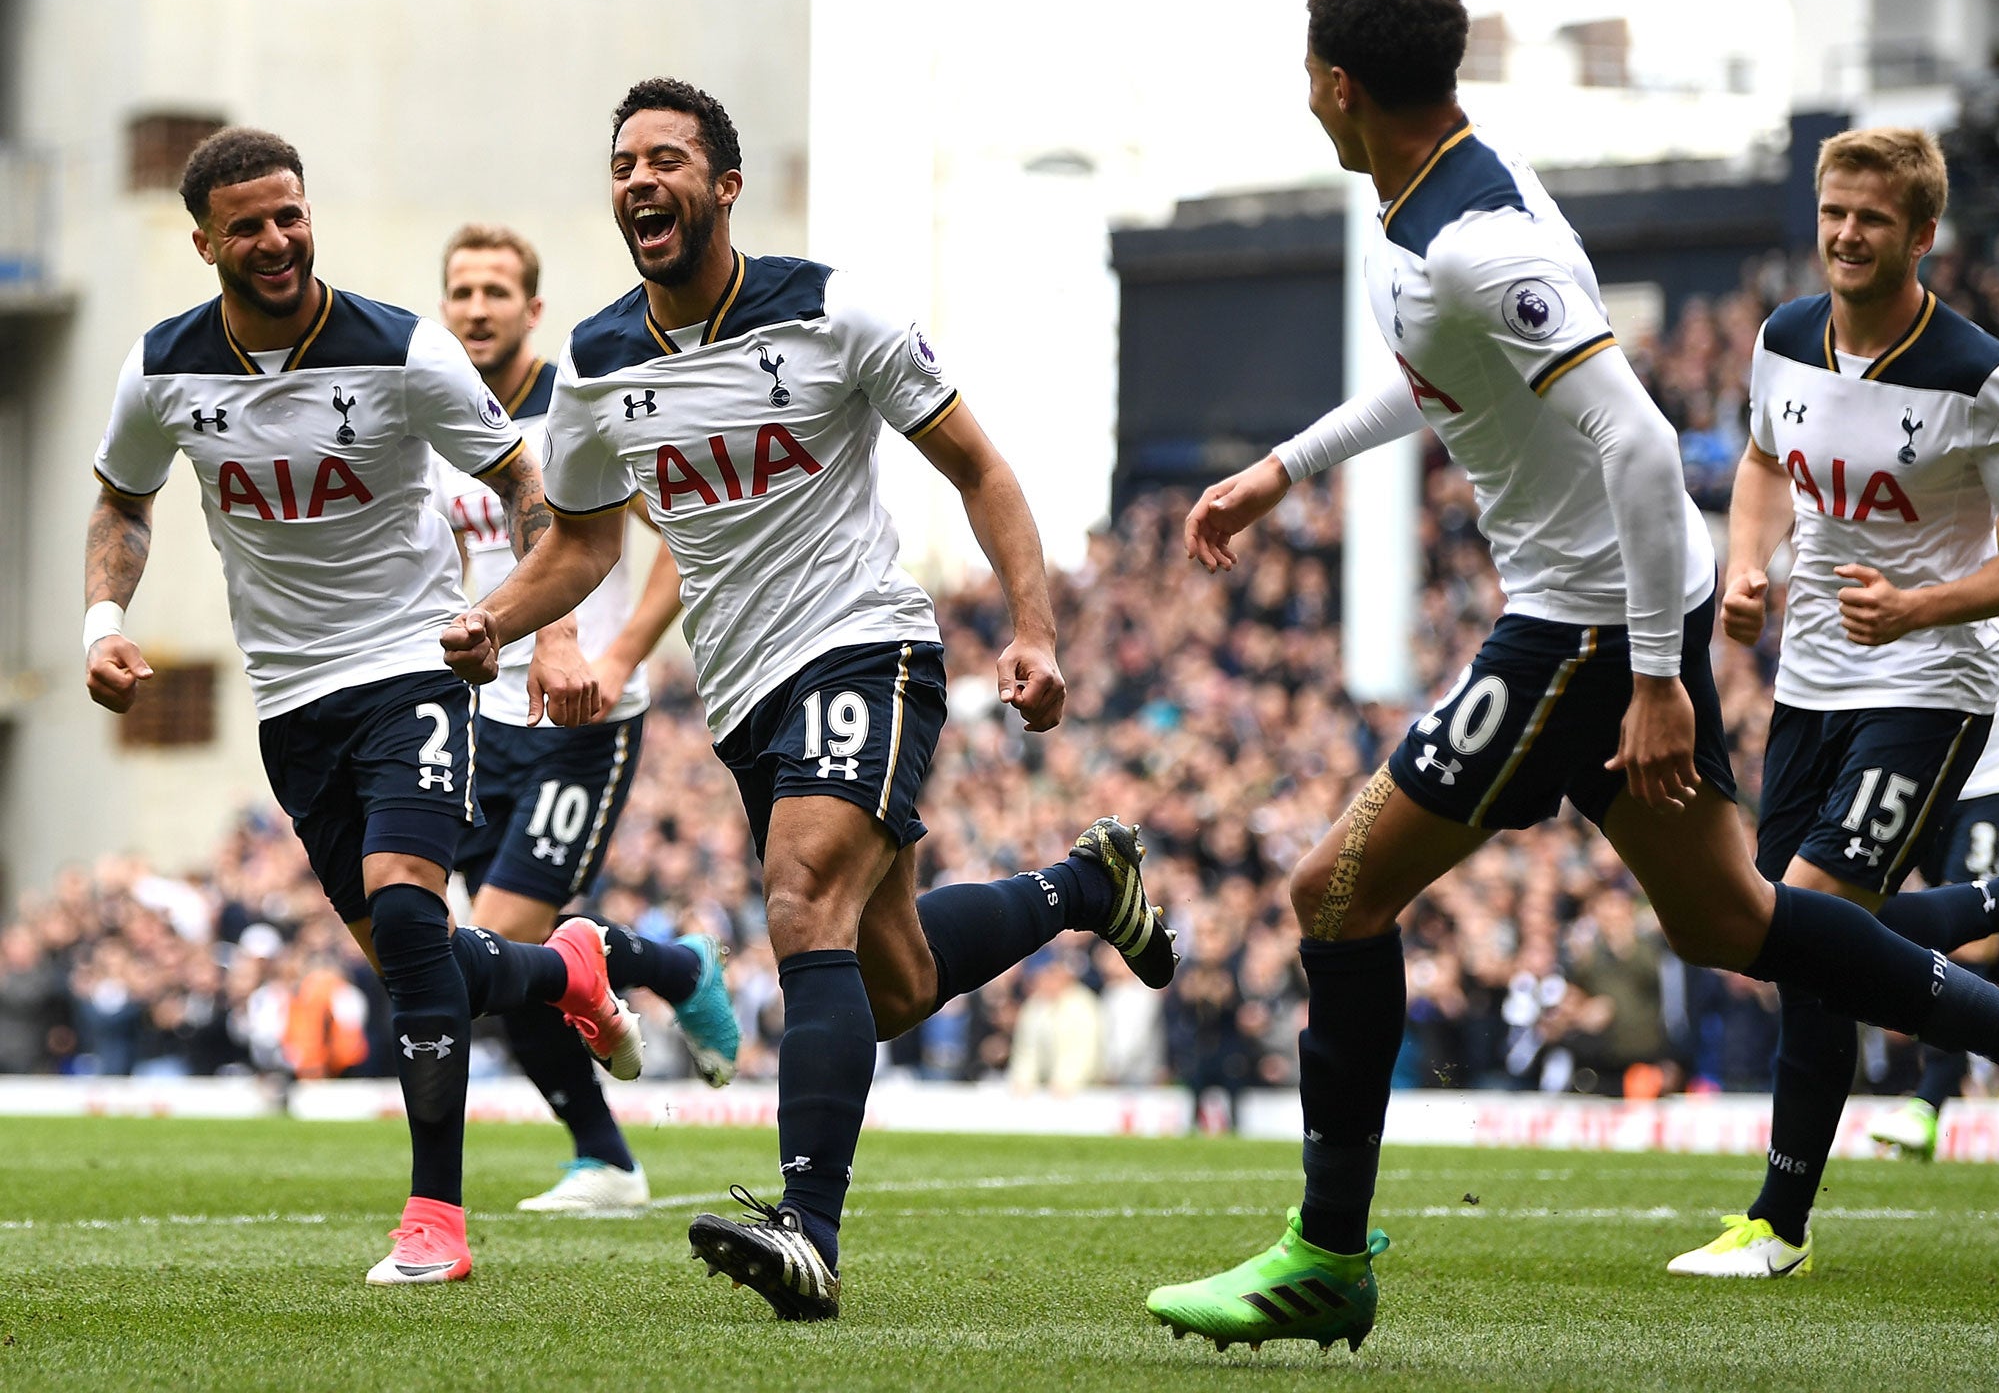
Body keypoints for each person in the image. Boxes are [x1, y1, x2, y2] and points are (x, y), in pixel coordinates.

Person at [1145, 0, 1999, 1352]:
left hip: (1580, 623)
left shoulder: (1474, 237)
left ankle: (1324, 1254)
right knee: (1733, 925)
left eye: (1307, 74)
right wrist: (1284, 469)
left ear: (1337, 82)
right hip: (1613, 605)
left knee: (1331, 892)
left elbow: (1633, 437)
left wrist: (1647, 678)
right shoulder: (1439, 198)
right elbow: (1440, 371)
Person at [442, 78, 1179, 1321]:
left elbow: (978, 468)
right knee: (887, 982)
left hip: (862, 648)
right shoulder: (596, 361)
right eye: (624, 163)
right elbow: (575, 544)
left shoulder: (835, 311)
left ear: (724, 187)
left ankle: (809, 1232)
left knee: (799, 903)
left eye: (667, 159)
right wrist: (496, 619)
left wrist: (1034, 627)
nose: (640, 180)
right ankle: (1082, 887)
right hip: (736, 694)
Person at [84, 128, 673, 1285]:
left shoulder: (403, 348)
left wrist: (520, 622)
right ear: (203, 240)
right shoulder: (161, 368)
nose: (276, 240)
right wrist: (104, 622)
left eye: (290, 214)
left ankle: (435, 1224)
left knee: (409, 924)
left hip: (413, 667)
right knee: (427, 961)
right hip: (289, 700)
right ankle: (569, 973)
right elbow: (124, 503)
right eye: (247, 224)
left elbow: (529, 491)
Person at [1666, 129, 1999, 1277]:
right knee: (1786, 935)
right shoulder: (1784, 338)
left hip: (1930, 682)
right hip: (1810, 681)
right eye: (1833, 211)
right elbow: (1761, 467)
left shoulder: (1988, 380)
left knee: (1810, 913)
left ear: (1920, 235)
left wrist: (1924, 605)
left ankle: (1778, 1224)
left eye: (1870, 218)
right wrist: (1746, 567)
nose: (1843, 234)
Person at [435, 224, 739, 1213]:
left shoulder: (582, 408)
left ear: (532, 309)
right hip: (481, 723)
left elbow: (684, 539)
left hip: (580, 721)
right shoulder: (438, 421)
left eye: (495, 291)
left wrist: (617, 655)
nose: (475, 306)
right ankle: (605, 1157)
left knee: (488, 945)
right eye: (460, 291)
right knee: (505, 963)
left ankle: (669, 968)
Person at [1868, 607, 1999, 1157]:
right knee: (1959, 931)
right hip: (1933, 768)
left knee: (1969, 935)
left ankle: (1929, 1100)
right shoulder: (1934, 555)